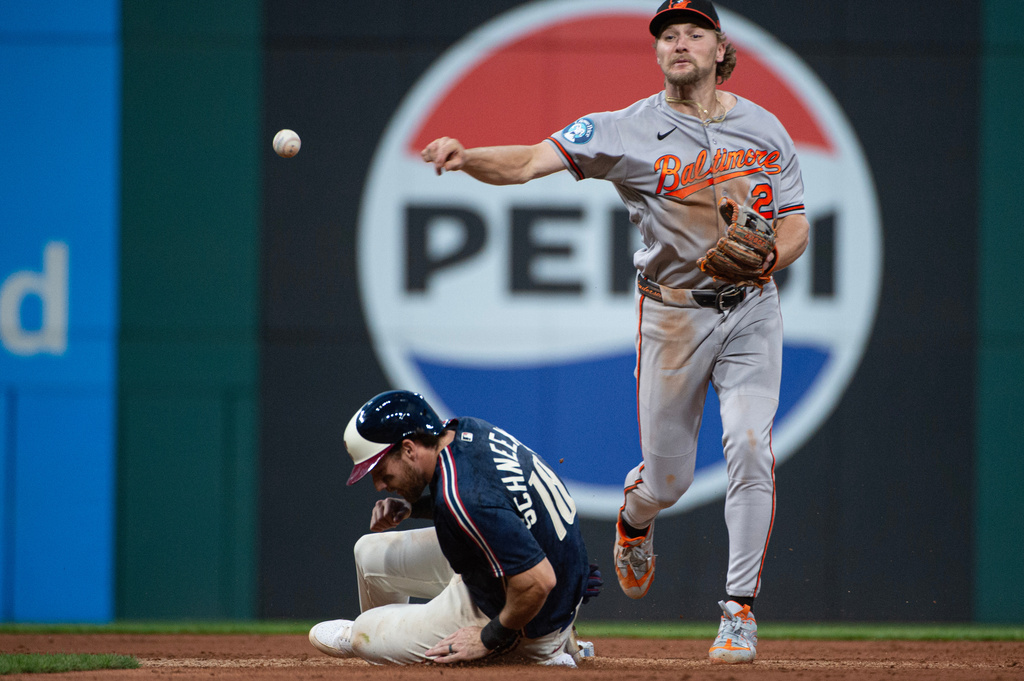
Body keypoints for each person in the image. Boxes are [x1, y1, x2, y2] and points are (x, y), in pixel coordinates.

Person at [420, 0, 810, 665]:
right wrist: (466, 157)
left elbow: (796, 224)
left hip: (752, 308)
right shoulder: (625, 129)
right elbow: (525, 164)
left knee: (749, 443)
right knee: (669, 479)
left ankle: (738, 609)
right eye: (667, 35)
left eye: (694, 32)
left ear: (721, 49)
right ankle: (637, 518)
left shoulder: (765, 128)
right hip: (673, 314)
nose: (679, 42)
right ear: (657, 53)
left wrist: (772, 258)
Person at [308, 390, 599, 666]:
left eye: (382, 472)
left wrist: (490, 637)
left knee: (363, 635)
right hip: (523, 576)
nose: (379, 485)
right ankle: (395, 644)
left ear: (408, 449)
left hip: (524, 616)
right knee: (367, 552)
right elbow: (499, 501)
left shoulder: (464, 497)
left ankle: (543, 654)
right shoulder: (465, 431)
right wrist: (412, 507)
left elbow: (539, 580)